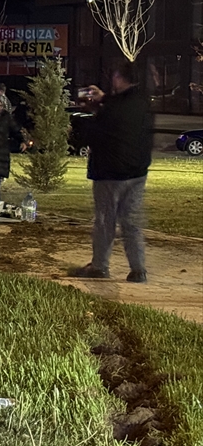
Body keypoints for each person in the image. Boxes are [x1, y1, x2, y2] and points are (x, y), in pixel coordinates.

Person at [71, 62, 154, 283]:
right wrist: (104, 100)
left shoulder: (111, 111)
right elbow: (121, 108)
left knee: (105, 220)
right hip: (137, 173)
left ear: (118, 77)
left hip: (110, 173)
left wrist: (88, 112)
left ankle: (100, 266)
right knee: (131, 221)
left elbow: (92, 135)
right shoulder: (142, 102)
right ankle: (138, 269)